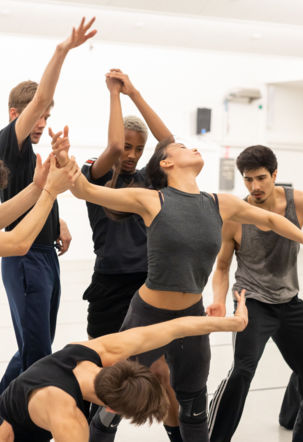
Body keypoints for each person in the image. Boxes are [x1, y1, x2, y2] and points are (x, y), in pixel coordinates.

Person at [51, 123, 303, 442]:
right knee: (113, 401)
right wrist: (66, 164)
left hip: (191, 319)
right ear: (166, 162)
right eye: (184, 147)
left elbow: (270, 219)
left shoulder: (220, 203)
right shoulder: (151, 200)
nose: (194, 148)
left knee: (194, 406)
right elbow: (86, 191)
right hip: (146, 317)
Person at [80, 70, 181, 440]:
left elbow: (168, 141)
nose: (133, 155)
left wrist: (135, 91)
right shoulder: (95, 174)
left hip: (147, 288)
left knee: (160, 372)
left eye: (139, 149)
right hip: (108, 289)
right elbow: (112, 148)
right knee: (107, 375)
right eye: (129, 147)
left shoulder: (148, 180)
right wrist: (114, 95)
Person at [0, 292, 248, 442]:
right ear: (110, 407)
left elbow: (175, 328)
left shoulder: (101, 351)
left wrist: (233, 324)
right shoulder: (69, 419)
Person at [0, 17, 97, 393]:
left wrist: (59, 223)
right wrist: (62, 50)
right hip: (24, 259)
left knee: (34, 350)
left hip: (44, 255)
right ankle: (22, 421)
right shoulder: (10, 141)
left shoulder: (31, 155)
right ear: (16, 115)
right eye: (38, 115)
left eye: (48, 116)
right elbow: (40, 97)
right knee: (38, 353)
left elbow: (42, 192)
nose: (43, 121)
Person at [207, 145, 303, 442]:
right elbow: (223, 266)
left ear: (275, 174)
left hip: (289, 301)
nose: (255, 186)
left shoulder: (299, 202)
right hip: (250, 303)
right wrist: (217, 299)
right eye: (248, 179)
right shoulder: (235, 215)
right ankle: (215, 437)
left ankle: (293, 421)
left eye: (261, 178)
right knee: (241, 372)